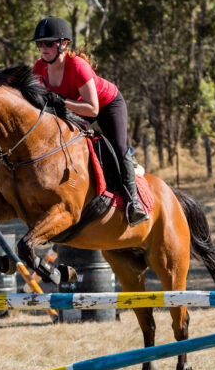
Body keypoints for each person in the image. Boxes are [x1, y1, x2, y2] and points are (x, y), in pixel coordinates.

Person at [31, 16, 149, 227]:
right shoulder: (39, 68)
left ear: (63, 44)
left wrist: (61, 101)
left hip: (107, 104)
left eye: (48, 43)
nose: (43, 48)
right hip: (76, 105)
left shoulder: (77, 66)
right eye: (40, 44)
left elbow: (92, 108)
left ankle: (134, 202)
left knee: (117, 146)